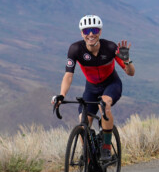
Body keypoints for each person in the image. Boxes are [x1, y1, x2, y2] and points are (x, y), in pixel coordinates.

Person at [52, 14, 135, 160]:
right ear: (82, 33)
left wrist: (127, 60)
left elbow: (130, 73)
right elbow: (68, 75)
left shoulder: (110, 47)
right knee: (83, 121)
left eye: (95, 30)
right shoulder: (75, 49)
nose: (91, 34)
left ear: (100, 32)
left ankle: (106, 148)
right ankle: (88, 156)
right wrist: (62, 95)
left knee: (104, 105)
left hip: (111, 84)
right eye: (86, 31)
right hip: (91, 88)